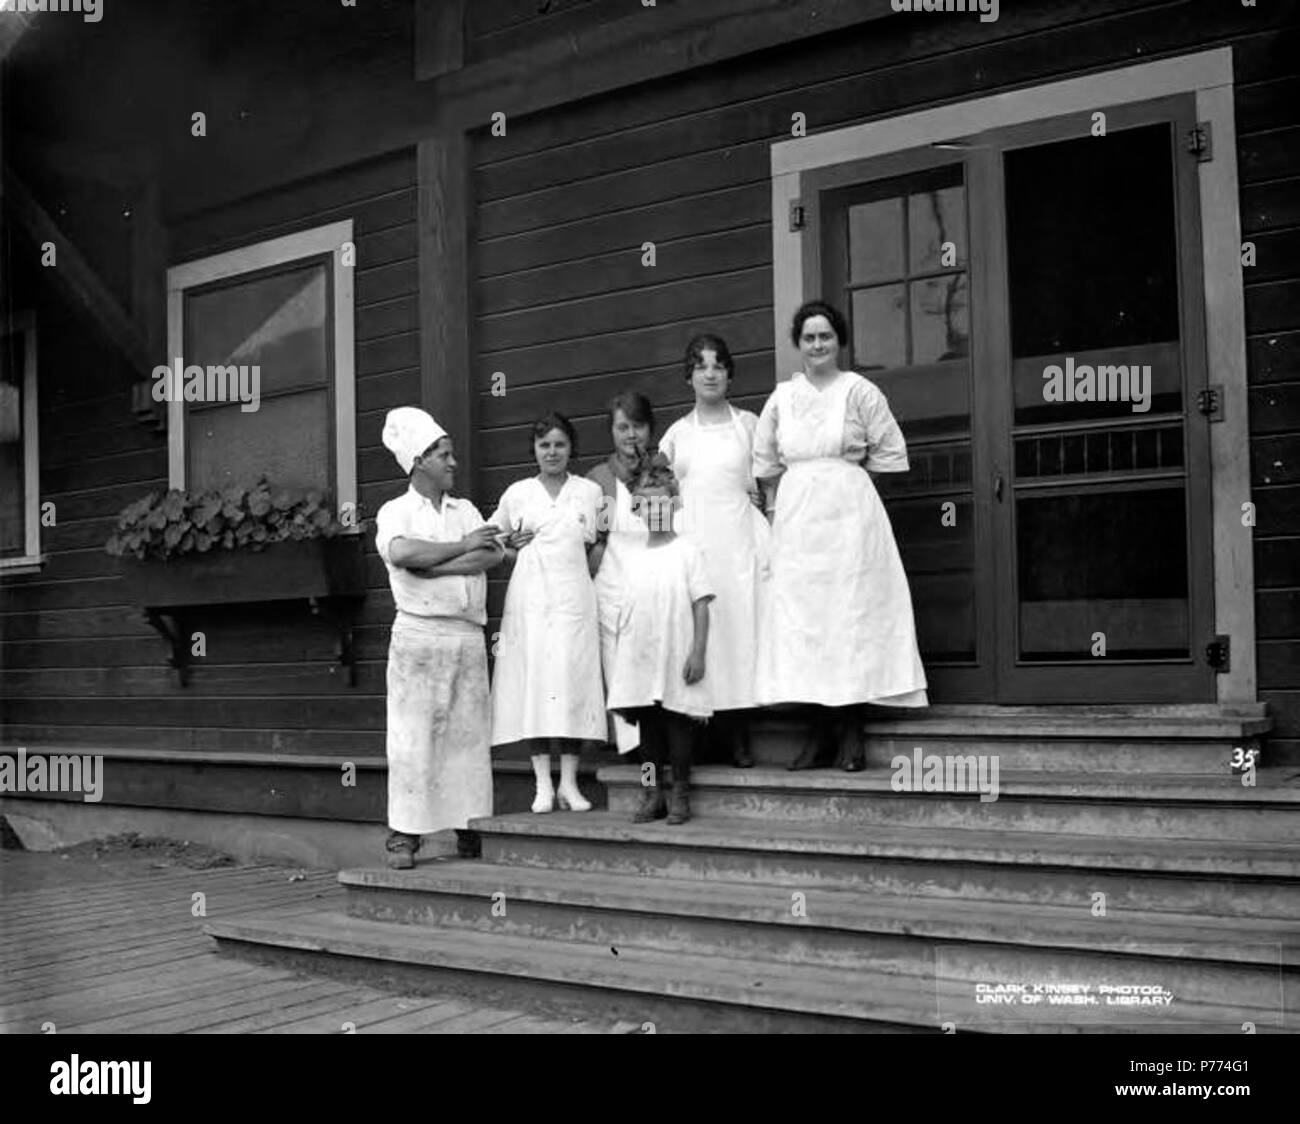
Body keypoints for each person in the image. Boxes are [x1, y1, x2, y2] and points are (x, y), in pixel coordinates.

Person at [753, 300, 928, 772]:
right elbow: (765, 463)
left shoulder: (860, 391)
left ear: (839, 341)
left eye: (825, 336)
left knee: (848, 620)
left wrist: (849, 487)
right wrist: (778, 510)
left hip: (850, 521)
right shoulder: (781, 400)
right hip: (797, 523)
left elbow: (890, 453)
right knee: (807, 623)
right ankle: (818, 735)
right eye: (808, 337)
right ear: (798, 344)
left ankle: (851, 734)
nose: (817, 345)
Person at [375, 406, 506, 869]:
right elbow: (403, 551)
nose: (453, 463)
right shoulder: (395, 512)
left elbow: (490, 556)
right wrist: (459, 547)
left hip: (466, 635)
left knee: (468, 739)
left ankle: (470, 827)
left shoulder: (465, 510)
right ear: (419, 460)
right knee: (414, 739)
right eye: (444, 455)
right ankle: (405, 836)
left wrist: (434, 563)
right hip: (418, 639)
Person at [659, 333, 770, 768]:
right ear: (689, 376)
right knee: (700, 632)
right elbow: (661, 494)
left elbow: (766, 483)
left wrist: (761, 504)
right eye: (701, 366)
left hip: (738, 542)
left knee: (737, 632)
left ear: (729, 373)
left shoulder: (750, 425)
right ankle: (701, 734)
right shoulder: (677, 435)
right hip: (695, 545)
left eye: (718, 365)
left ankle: (738, 734)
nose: (710, 374)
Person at [488, 413, 605, 813]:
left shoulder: (590, 492)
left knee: (572, 685)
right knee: (535, 685)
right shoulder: (517, 493)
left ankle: (570, 784)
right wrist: (511, 551)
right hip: (531, 603)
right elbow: (491, 545)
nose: (551, 452)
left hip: (574, 602)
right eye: (544, 445)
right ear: (534, 451)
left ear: (571, 447)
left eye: (559, 444)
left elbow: (602, 544)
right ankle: (541, 785)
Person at [605, 453, 714, 825]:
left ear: (674, 504)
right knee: (648, 733)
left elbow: (701, 604)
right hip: (641, 658)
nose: (655, 510)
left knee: (678, 725)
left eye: (662, 503)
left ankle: (680, 792)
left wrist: (697, 652)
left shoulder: (687, 551)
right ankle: (652, 793)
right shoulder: (633, 558)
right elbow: (628, 612)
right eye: (647, 504)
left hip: (675, 654)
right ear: (637, 509)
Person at [587, 392, 655, 756]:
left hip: (654, 580)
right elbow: (597, 540)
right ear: (612, 432)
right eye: (623, 427)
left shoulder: (661, 471)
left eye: (638, 426)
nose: (631, 435)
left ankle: (658, 746)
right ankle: (632, 751)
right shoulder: (603, 479)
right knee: (619, 668)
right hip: (613, 586)